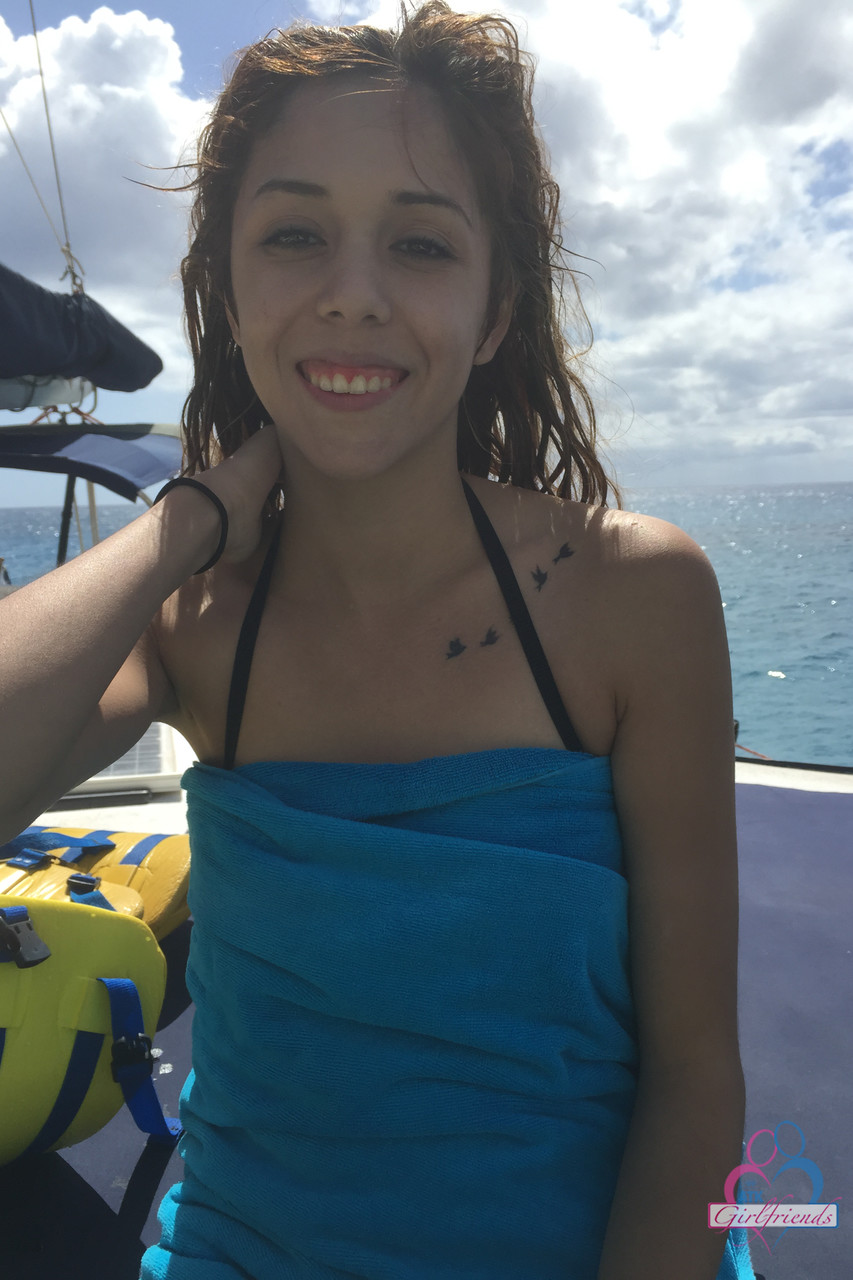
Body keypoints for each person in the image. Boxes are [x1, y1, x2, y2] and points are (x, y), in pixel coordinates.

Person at [0, 4, 756, 1277]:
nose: (352, 294)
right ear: (228, 289)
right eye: (294, 235)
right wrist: (190, 520)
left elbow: (695, 1077)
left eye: (418, 243)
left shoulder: (633, 596)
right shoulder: (197, 621)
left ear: (495, 309)